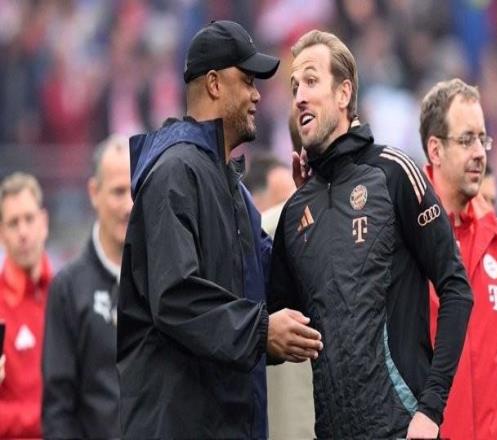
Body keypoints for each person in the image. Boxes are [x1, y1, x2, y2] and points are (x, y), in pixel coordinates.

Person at [117, 20, 323, 439]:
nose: (256, 94)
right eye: (246, 80)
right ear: (213, 84)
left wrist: (308, 204)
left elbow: (268, 284)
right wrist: (262, 330)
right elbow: (175, 296)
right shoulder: (174, 172)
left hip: (228, 421)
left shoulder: (233, 189)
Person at [269, 30, 473, 439]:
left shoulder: (394, 173)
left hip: (403, 427)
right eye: (294, 87)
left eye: (311, 81)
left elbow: (456, 288)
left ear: (344, 93)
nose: (299, 97)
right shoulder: (295, 213)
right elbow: (278, 333)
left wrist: (430, 409)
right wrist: (265, 336)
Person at [421, 78, 497, 440]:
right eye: (467, 140)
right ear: (435, 150)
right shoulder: (398, 237)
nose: (480, 152)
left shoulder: (495, 240)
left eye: (483, 139)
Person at [42, 135, 132, 438]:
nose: (129, 205)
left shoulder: (162, 280)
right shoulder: (67, 289)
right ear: (94, 192)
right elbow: (58, 408)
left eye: (136, 191)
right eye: (118, 192)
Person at [0, 172, 51, 438]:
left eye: (29, 219)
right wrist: (47, 419)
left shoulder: (67, 295)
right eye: (13, 223)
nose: (23, 232)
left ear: (44, 222)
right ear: (1, 233)